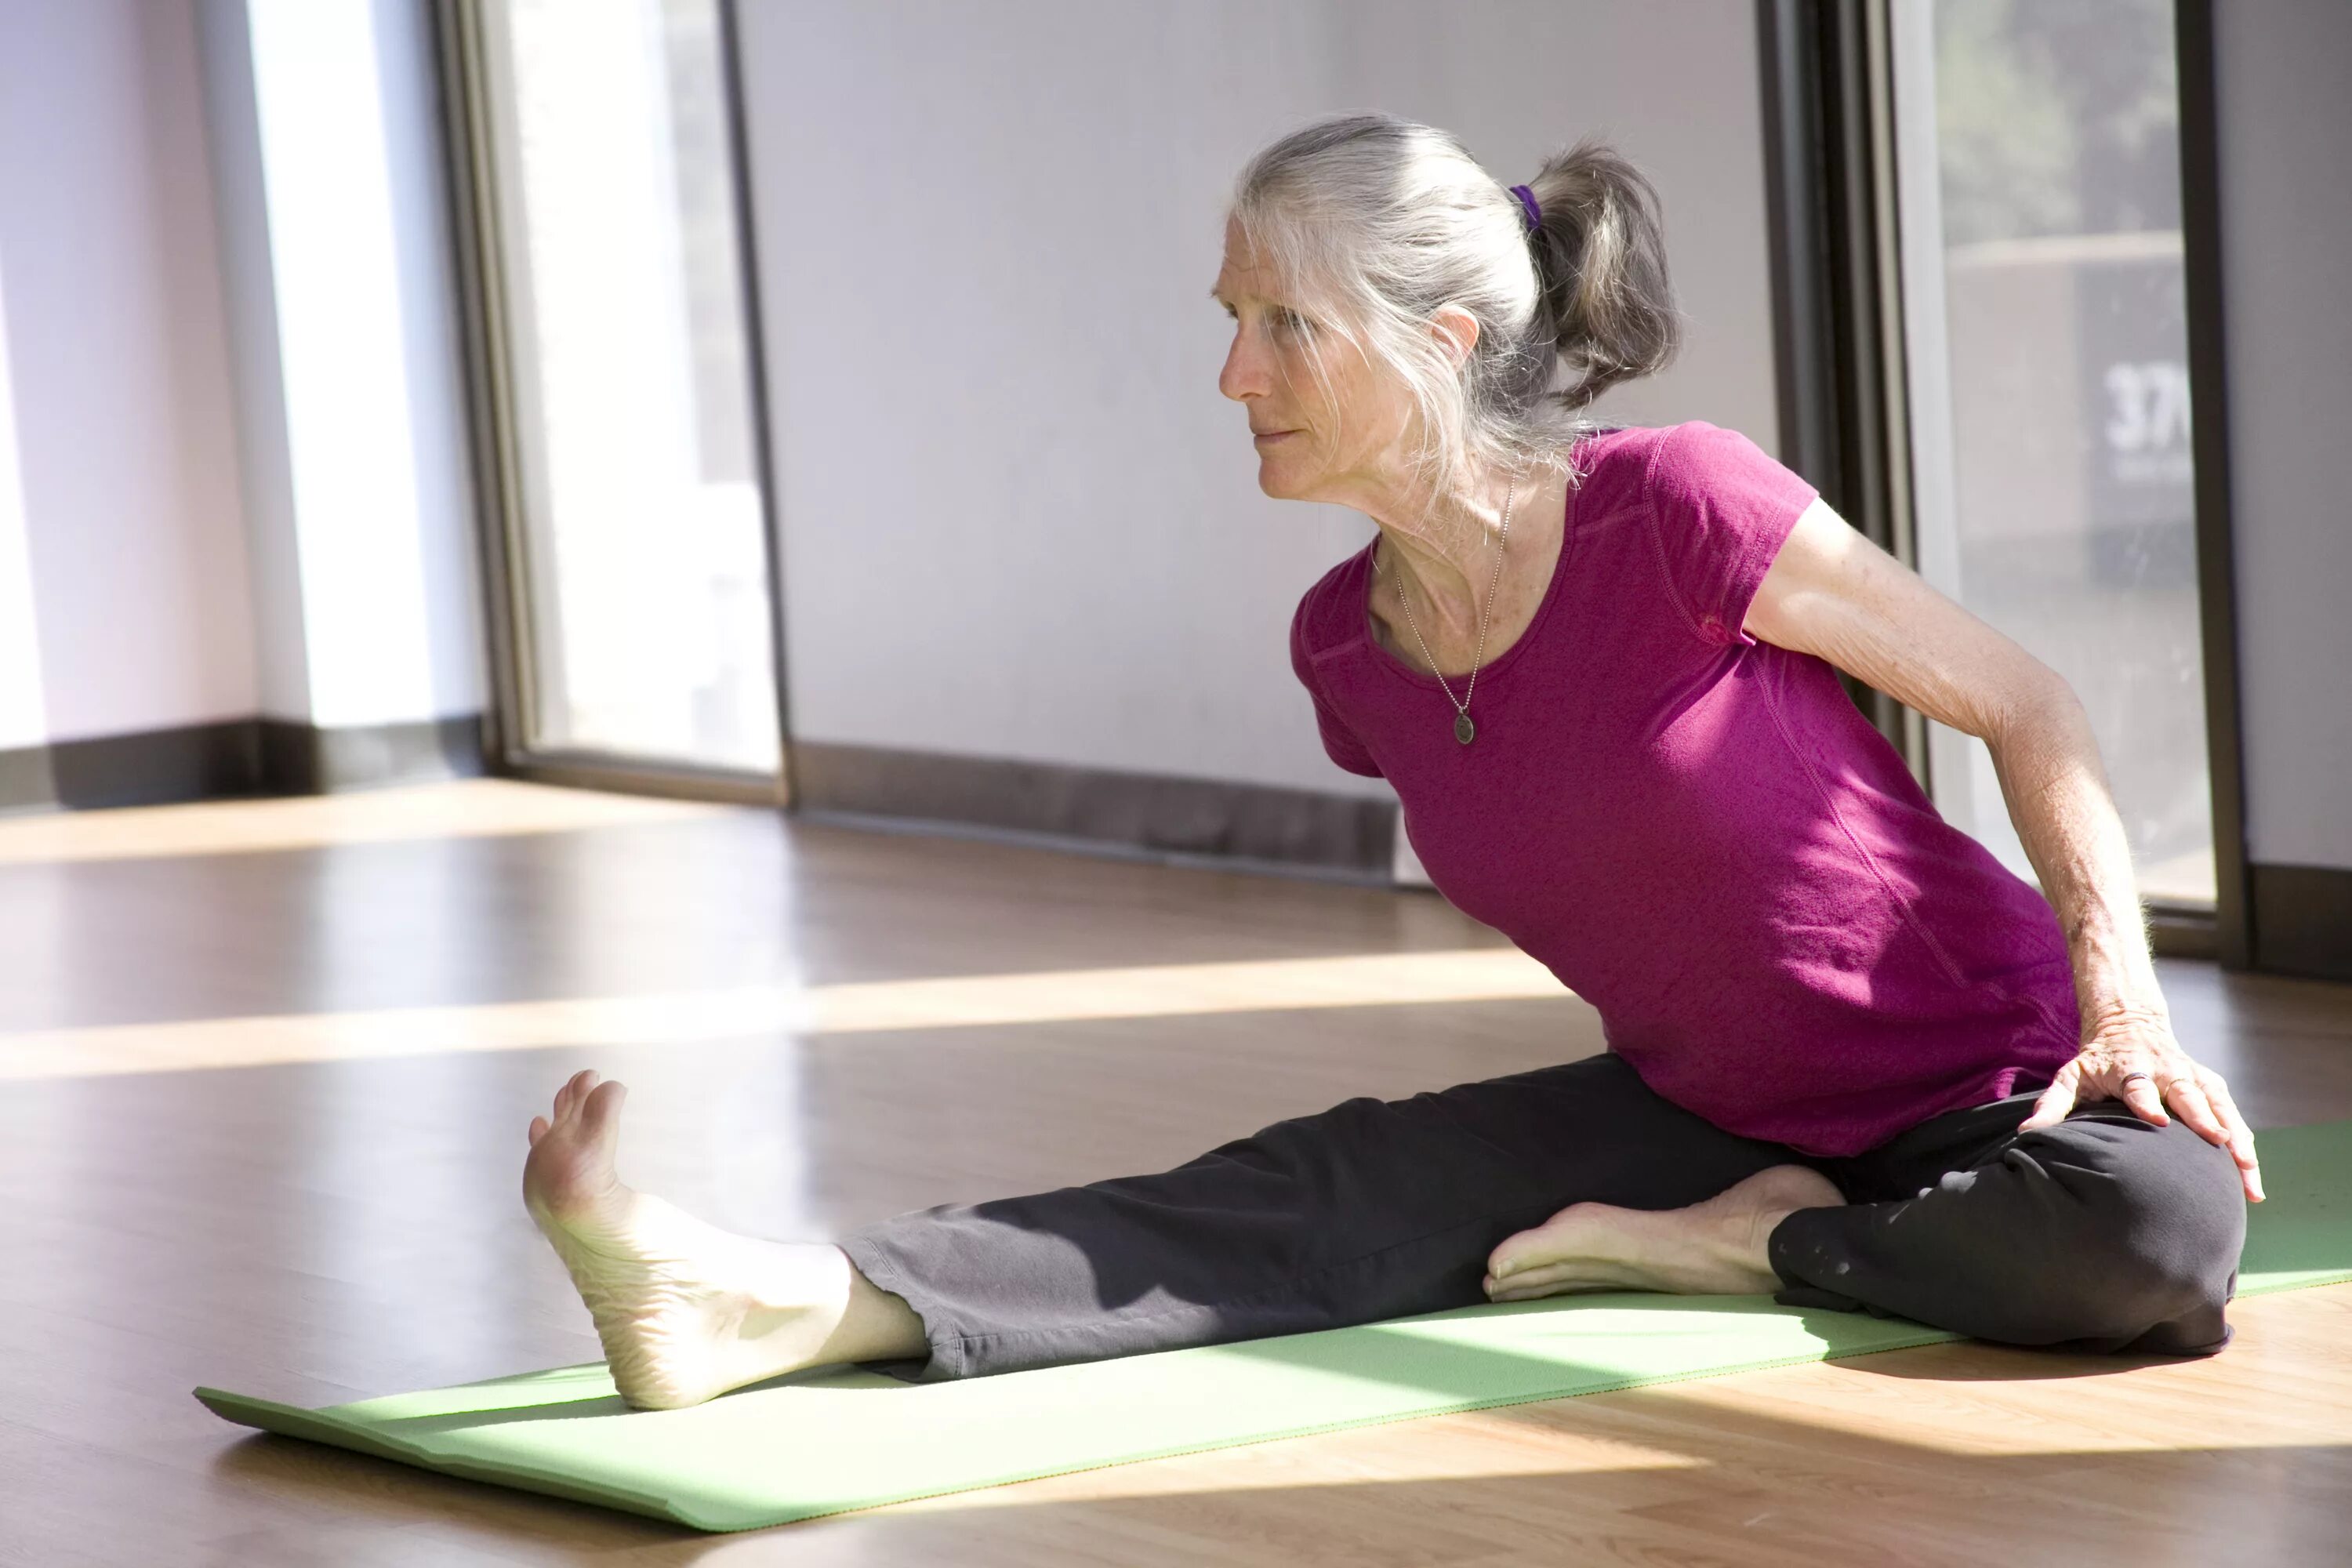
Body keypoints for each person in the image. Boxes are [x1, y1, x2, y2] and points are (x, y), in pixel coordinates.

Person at [520, 114, 2261, 1411]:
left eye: (1284, 326)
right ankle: (781, 1301)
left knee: (2150, 1239)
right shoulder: (1346, 653)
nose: (1230, 372)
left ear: (1436, 345)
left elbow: (2033, 704)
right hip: (1698, 1107)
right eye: (1230, 318)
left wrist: (2126, 1014)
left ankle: (1761, 1243)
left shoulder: (1678, 512)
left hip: (1998, 1079)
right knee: (1311, 1194)